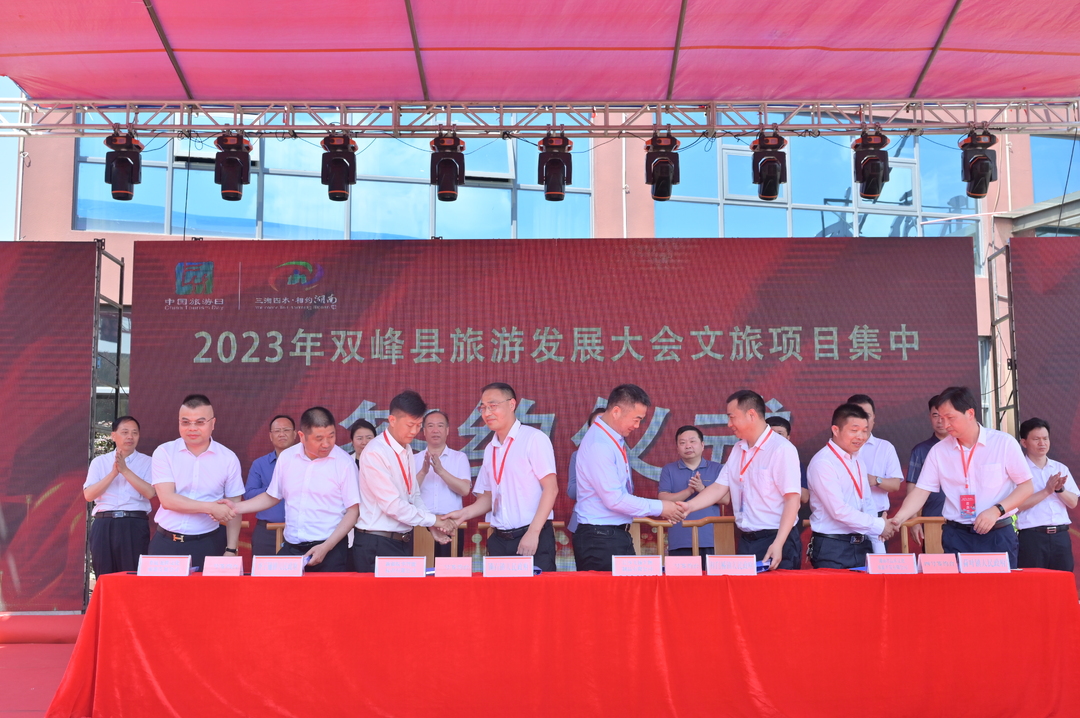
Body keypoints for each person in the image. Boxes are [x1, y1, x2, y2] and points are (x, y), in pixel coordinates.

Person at [890, 387, 1033, 569]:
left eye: (950, 418)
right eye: (941, 418)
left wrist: (996, 510)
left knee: (999, 587)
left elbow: (1026, 486)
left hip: (997, 533)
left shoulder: (1003, 443)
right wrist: (898, 518)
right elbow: (921, 491)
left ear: (970, 413)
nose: (945, 424)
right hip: (957, 535)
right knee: (959, 587)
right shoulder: (939, 451)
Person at [679, 390, 801, 570]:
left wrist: (779, 543)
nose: (729, 424)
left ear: (751, 414)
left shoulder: (781, 449)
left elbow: (792, 500)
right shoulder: (738, 449)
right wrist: (689, 506)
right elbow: (719, 488)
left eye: (732, 417)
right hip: (747, 540)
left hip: (777, 539)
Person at [227, 407, 359, 572]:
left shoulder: (344, 463)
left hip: (330, 549)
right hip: (292, 548)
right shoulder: (287, 457)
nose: (326, 444)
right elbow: (272, 496)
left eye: (331, 436)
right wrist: (236, 508)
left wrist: (326, 547)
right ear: (302, 436)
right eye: (319, 438)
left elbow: (353, 511)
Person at [445, 383, 559, 571]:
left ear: (512, 404)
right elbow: (489, 498)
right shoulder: (491, 449)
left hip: (531, 537)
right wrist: (462, 515)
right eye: (483, 408)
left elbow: (551, 488)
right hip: (499, 540)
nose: (487, 413)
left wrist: (533, 532)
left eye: (493, 406)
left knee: (537, 591)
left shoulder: (533, 438)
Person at [573, 384, 686, 571]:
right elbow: (615, 499)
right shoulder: (599, 444)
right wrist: (661, 507)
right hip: (600, 539)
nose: (637, 426)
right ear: (616, 412)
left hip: (611, 535)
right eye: (636, 419)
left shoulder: (610, 438)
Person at [353, 390, 457, 572]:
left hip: (401, 541)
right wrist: (435, 520)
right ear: (392, 420)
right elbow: (393, 506)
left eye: (418, 425)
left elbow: (413, 495)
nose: (415, 431)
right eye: (410, 425)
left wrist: (431, 524)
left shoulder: (406, 449)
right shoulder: (375, 452)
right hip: (376, 543)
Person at [148, 394, 244, 570]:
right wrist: (211, 507)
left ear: (213, 423)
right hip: (166, 543)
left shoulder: (228, 458)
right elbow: (168, 500)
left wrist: (231, 549)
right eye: (185, 422)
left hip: (208, 544)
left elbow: (234, 508)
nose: (192, 428)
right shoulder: (164, 452)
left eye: (200, 422)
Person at [806, 403, 895, 569]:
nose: (861, 436)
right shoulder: (823, 462)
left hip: (862, 546)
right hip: (833, 548)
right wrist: (879, 525)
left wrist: (879, 551)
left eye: (864, 430)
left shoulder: (857, 459)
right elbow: (838, 510)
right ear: (835, 430)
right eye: (854, 430)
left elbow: (867, 502)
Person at [83, 416, 154, 575]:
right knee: (105, 575)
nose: (130, 437)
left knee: (132, 576)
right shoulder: (99, 462)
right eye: (125, 432)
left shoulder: (148, 462)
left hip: (133, 524)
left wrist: (125, 470)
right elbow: (88, 495)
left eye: (134, 433)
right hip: (104, 523)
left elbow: (150, 492)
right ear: (113, 436)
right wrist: (113, 473)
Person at [1015, 417, 1078, 571]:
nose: (1042, 443)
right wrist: (1046, 491)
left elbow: (1073, 502)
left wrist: (1060, 490)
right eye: (1036, 439)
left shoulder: (1060, 468)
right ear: (1024, 442)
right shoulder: (1018, 470)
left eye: (1045, 438)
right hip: (1032, 537)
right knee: (1032, 582)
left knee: (1062, 580)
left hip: (1060, 537)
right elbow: (1016, 506)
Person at [658, 425, 722, 569]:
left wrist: (702, 489)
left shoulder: (717, 468)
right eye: (682, 442)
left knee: (711, 581)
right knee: (680, 581)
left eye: (692, 441)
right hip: (680, 539)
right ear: (677, 448)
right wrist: (689, 491)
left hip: (710, 539)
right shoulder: (669, 469)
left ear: (702, 445)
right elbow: (663, 499)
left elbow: (726, 499)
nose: (688, 446)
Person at [847, 394, 903, 553]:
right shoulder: (839, 449)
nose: (862, 420)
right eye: (857, 415)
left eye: (867, 415)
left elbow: (895, 485)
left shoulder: (885, 448)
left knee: (877, 566)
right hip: (847, 519)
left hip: (877, 519)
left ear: (873, 419)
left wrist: (876, 480)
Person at [414, 410, 471, 557]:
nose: (435, 430)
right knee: (421, 570)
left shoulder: (459, 457)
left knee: (449, 570)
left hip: (450, 525)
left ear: (447, 431)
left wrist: (441, 471)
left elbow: (465, 490)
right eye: (430, 426)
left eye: (440, 426)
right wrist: (423, 472)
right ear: (424, 431)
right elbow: (407, 493)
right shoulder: (413, 459)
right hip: (421, 525)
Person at [243, 415, 297, 556]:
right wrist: (274, 488)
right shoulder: (259, 464)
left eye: (286, 430)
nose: (282, 434)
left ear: (295, 434)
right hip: (266, 531)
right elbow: (249, 495)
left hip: (299, 530)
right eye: (277, 431)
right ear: (270, 436)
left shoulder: (306, 463)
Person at [905, 396, 949, 547]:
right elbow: (912, 487)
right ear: (929, 417)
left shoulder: (964, 447)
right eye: (936, 415)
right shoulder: (921, 450)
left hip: (964, 520)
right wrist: (914, 520)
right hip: (932, 519)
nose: (940, 421)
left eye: (945, 416)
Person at [568, 407, 605, 562]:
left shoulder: (620, 454)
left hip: (611, 527)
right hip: (583, 526)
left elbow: (628, 490)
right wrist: (594, 481)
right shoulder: (578, 455)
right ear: (589, 429)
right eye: (596, 425)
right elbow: (571, 491)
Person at [765, 416, 809, 511]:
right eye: (771, 433)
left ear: (788, 438)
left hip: (785, 515)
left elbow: (805, 497)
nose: (775, 438)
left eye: (780, 434)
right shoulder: (753, 460)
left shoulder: (794, 463)